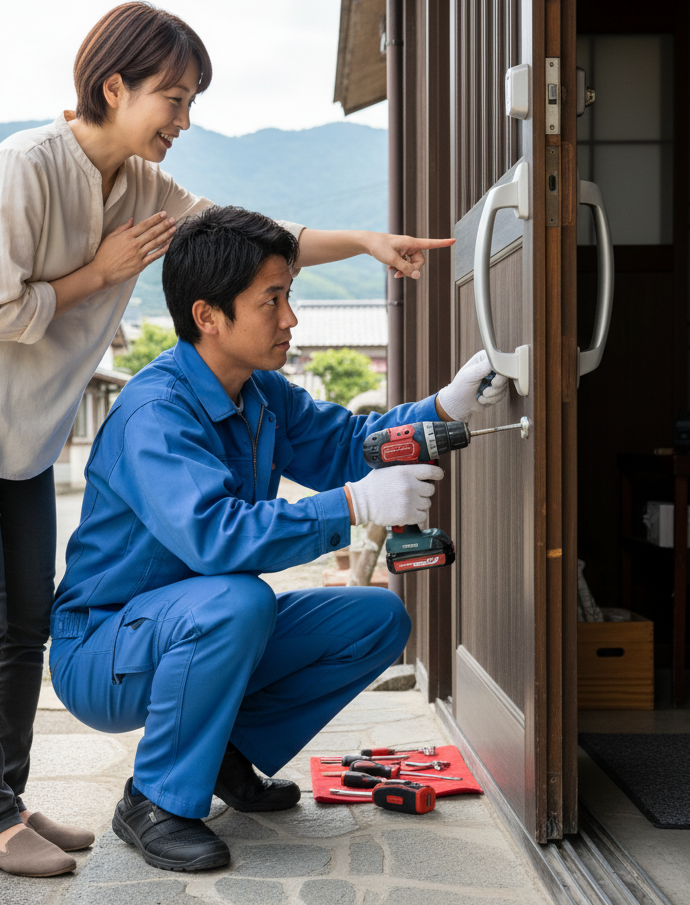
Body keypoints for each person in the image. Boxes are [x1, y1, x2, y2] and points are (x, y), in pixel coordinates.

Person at [0, 2, 455, 878]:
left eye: (191, 101)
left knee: (27, 623)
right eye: (172, 98)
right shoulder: (23, 167)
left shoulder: (147, 190)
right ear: (114, 86)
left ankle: (42, 793)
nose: (184, 119)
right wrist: (101, 273)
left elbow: (257, 238)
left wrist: (366, 242)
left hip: (25, 426)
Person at [49, 206, 506, 872]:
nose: (290, 319)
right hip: (104, 649)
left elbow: (345, 443)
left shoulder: (261, 392)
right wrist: (353, 503)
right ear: (207, 315)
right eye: (273, 300)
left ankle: (221, 757)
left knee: (374, 618)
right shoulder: (155, 413)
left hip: (199, 626)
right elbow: (215, 540)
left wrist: (445, 406)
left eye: (287, 296)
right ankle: (153, 801)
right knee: (238, 600)